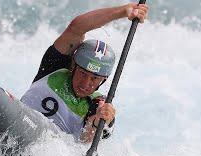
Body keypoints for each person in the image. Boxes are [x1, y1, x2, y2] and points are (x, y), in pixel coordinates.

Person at [21, 3, 149, 143]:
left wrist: (96, 123)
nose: (85, 83)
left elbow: (83, 145)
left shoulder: (98, 105)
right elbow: (76, 28)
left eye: (94, 78)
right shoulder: (55, 66)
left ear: (103, 79)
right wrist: (123, 11)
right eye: (82, 73)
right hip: (18, 124)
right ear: (74, 66)